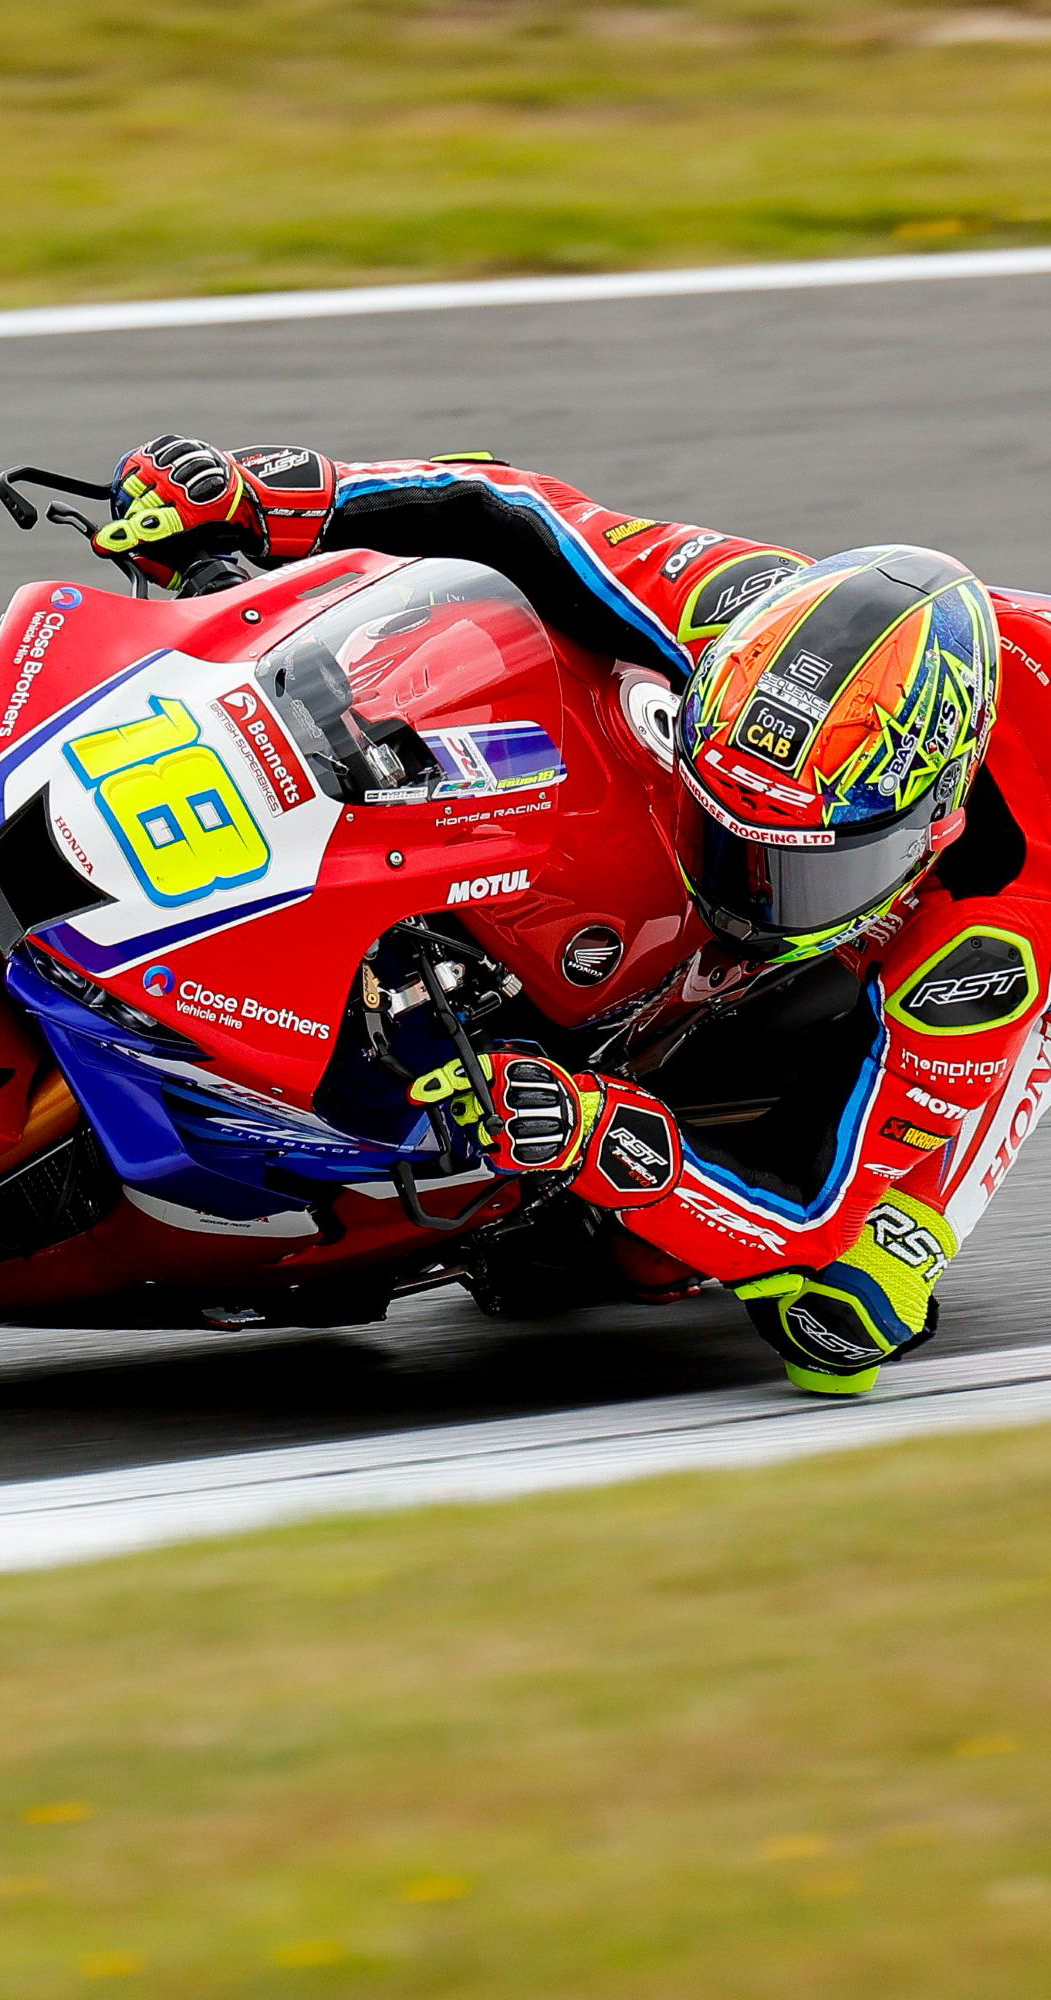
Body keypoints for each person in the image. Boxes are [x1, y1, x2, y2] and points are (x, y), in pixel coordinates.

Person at [94, 436, 1051, 1394]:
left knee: (844, 1306)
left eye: (796, 870)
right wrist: (276, 494)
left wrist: (597, 1133)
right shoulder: (737, 608)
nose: (748, 888)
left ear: (934, 820)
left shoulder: (1001, 931)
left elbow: (823, 1225)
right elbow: (508, 511)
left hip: (1009, 927)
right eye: (734, 842)